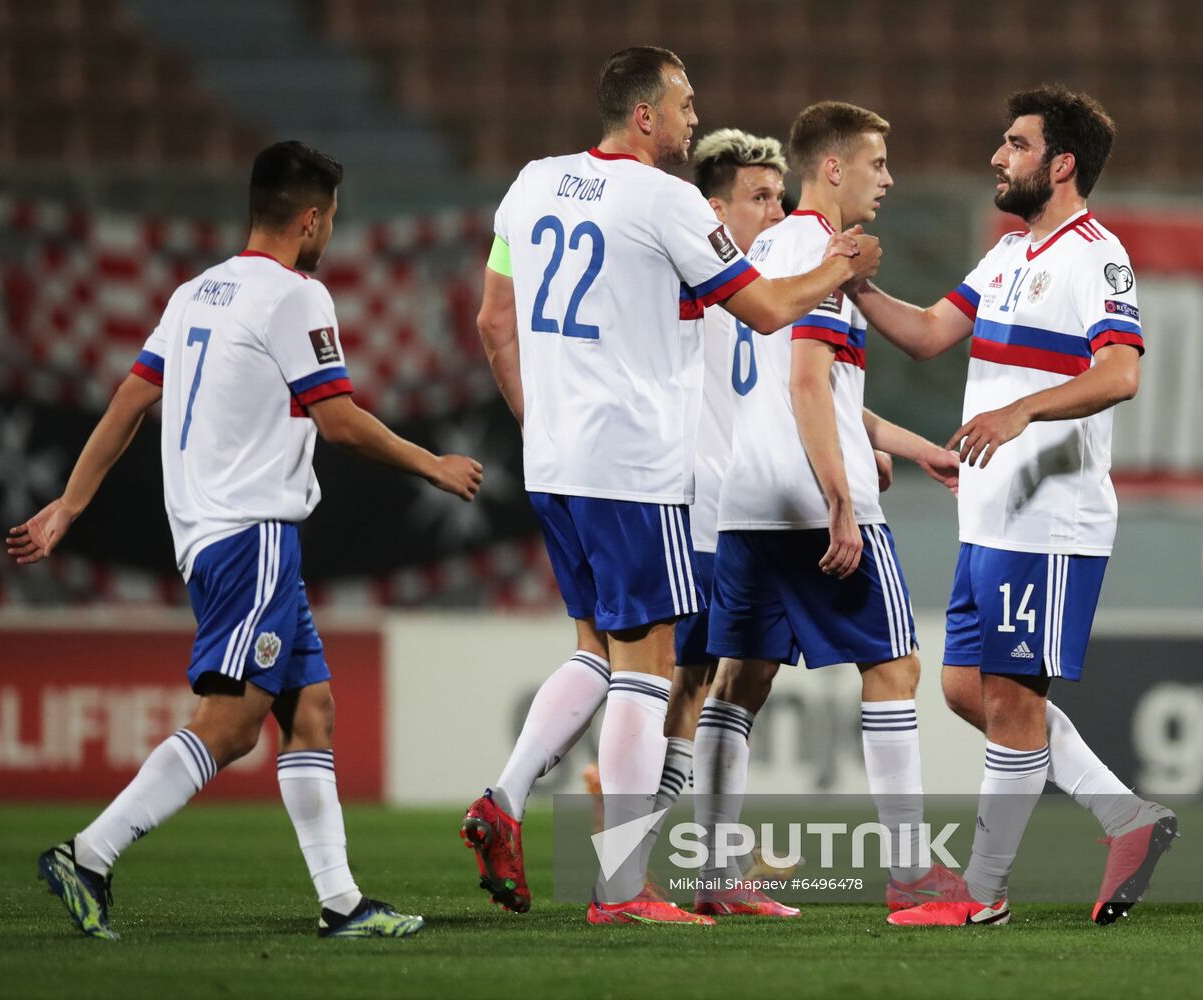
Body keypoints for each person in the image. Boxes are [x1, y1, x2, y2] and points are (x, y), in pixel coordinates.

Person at [8, 141, 483, 941]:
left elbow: (129, 402)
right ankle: (89, 854)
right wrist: (429, 463)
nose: (331, 230)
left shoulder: (198, 292)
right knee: (229, 724)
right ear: (309, 218)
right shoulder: (296, 296)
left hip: (205, 532)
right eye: (330, 217)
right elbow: (338, 421)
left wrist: (68, 504)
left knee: (312, 713)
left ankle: (342, 904)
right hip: (250, 532)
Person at [466, 47, 881, 926]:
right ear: (646, 114)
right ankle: (620, 890)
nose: (696, 117)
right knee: (652, 671)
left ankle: (502, 799)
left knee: (597, 652)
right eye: (685, 103)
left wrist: (540, 424)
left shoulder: (531, 183)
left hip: (557, 464)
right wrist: (839, 266)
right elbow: (768, 309)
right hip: (636, 467)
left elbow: (493, 320)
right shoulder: (668, 202)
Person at [838, 87, 1177, 928]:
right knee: (966, 688)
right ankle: (1127, 818)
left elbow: (1121, 372)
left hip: (1050, 515)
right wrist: (852, 286)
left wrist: (1022, 409)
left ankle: (982, 893)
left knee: (1014, 698)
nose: (998, 155)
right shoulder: (1006, 254)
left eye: (1015, 144)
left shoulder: (1095, 256)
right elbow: (923, 333)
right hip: (989, 516)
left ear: (1060, 165)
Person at [697, 101, 965, 918]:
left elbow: (826, 387)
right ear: (836, 167)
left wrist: (914, 446)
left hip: (746, 499)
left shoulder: (765, 248)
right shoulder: (823, 252)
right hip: (814, 498)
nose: (888, 178)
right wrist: (842, 501)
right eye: (877, 163)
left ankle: (713, 872)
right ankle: (913, 872)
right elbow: (807, 382)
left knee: (738, 681)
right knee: (894, 669)